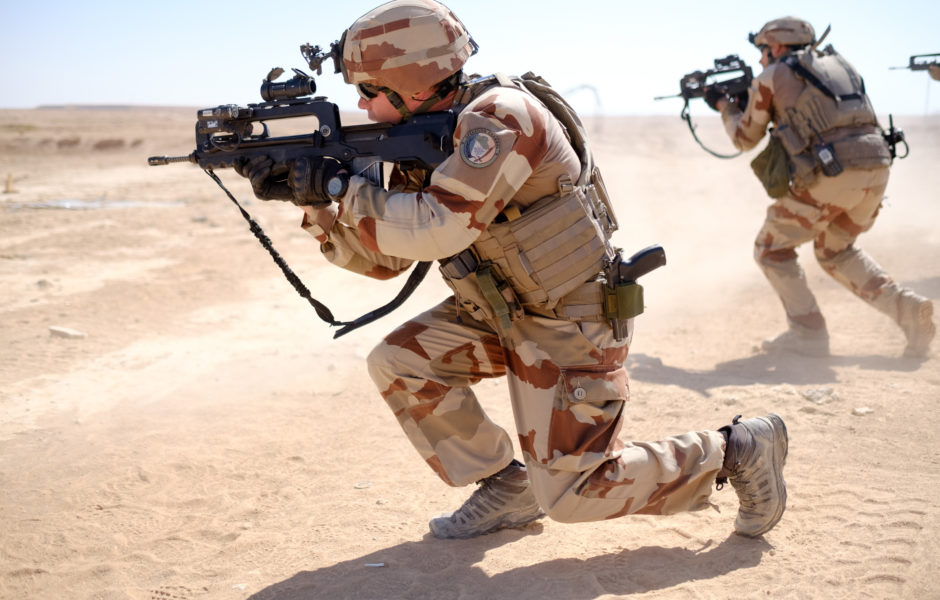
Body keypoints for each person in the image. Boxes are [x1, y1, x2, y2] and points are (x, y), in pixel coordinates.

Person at [236, 0, 788, 540]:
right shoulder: (426, 134)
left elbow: (440, 226)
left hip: (568, 322)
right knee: (401, 362)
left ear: (417, 85)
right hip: (499, 308)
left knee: (576, 495)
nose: (362, 106)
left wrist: (345, 189)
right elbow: (387, 262)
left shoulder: (501, 118)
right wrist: (315, 205)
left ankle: (735, 449)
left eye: (369, 92)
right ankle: (508, 484)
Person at [706, 17, 935, 359]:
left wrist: (726, 107)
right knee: (835, 250)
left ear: (778, 47)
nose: (760, 60)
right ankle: (908, 311)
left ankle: (808, 333)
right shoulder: (841, 64)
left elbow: (744, 138)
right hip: (876, 171)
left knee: (771, 249)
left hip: (834, 175)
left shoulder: (771, 76)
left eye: (763, 51)